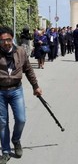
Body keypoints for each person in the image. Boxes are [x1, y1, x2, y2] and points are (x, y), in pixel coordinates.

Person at [0, 26, 42, 164]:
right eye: (3, 40)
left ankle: (16, 139)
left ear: (13, 39)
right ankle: (5, 151)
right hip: (0, 91)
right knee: (2, 122)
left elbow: (28, 70)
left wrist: (35, 86)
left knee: (21, 119)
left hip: (16, 90)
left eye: (9, 40)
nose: (6, 43)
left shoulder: (21, 51)